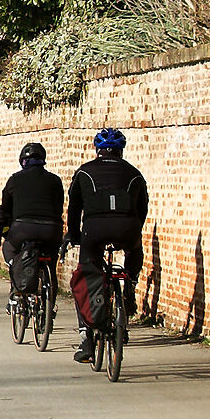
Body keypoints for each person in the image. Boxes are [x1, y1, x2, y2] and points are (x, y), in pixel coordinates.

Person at [66, 127, 149, 363]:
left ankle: (86, 339)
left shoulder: (84, 172)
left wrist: (74, 235)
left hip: (94, 231)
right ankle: (130, 282)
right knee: (134, 249)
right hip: (127, 228)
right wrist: (133, 230)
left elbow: (74, 208)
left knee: (84, 276)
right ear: (121, 151)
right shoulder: (134, 174)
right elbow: (142, 207)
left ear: (97, 150)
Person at [0, 141, 64, 306]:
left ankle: (17, 292)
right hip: (51, 229)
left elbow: (5, 208)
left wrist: (2, 226)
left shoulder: (15, 179)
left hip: (22, 229)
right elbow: (58, 206)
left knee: (10, 249)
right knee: (50, 263)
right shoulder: (55, 180)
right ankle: (49, 306)